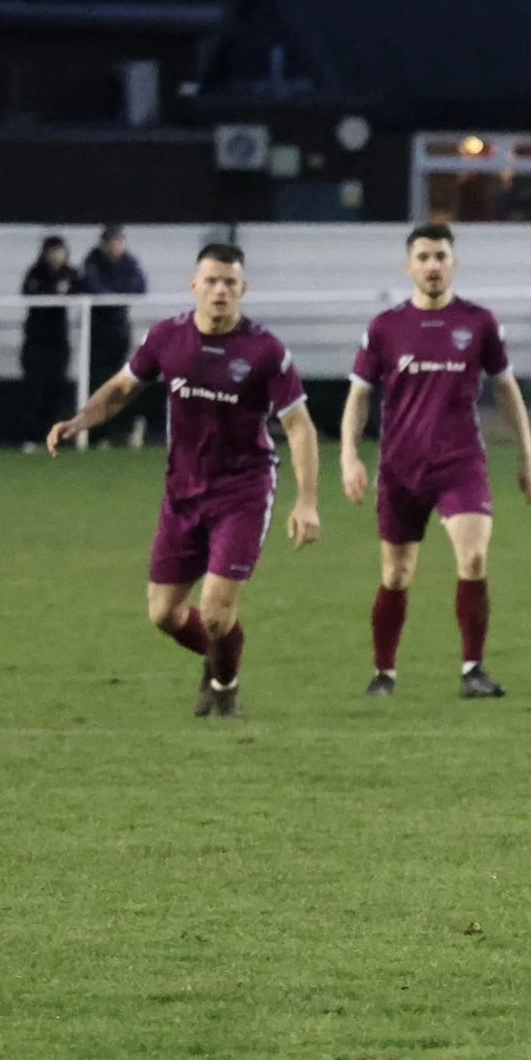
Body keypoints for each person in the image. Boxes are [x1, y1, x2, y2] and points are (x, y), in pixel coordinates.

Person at [45, 242, 321, 718]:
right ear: (194, 285)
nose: (220, 290)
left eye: (230, 283)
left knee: (215, 610)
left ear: (243, 289)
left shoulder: (265, 350)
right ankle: (222, 655)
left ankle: (225, 684)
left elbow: (299, 426)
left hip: (243, 491)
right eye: (211, 281)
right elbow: (122, 388)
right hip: (183, 492)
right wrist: (79, 421)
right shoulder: (167, 337)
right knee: (164, 614)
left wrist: (307, 501)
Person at [341, 223, 531, 699]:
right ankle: (384, 673)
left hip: (460, 464)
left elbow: (506, 388)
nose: (433, 265)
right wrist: (349, 456)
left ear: (454, 263)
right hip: (401, 468)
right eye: (424, 257)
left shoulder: (479, 323)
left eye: (441, 257)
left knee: (473, 557)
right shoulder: (385, 327)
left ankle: (473, 669)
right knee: (396, 574)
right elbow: (359, 396)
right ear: (409, 266)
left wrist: (527, 455)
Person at [78, 224, 150, 448]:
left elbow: (140, 286)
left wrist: (115, 292)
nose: (115, 246)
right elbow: (94, 289)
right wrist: (119, 292)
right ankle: (99, 434)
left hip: (119, 332)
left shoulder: (128, 262)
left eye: (118, 241)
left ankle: (123, 430)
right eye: (112, 242)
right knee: (99, 382)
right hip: (97, 333)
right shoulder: (93, 261)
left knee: (122, 381)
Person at [20, 235, 80, 447]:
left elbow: (81, 287)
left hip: (58, 342)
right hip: (35, 342)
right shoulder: (35, 272)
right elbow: (29, 291)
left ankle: (55, 436)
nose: (56, 256)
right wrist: (55, 289)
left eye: (60, 251)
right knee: (35, 390)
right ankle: (32, 436)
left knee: (56, 390)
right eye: (52, 251)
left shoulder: (71, 273)